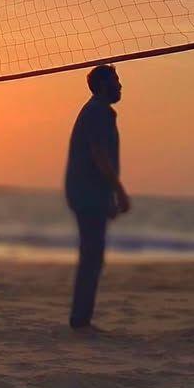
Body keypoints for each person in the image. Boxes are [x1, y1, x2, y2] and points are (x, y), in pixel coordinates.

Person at [65, 63, 131, 331]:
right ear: (104, 85)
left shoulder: (100, 112)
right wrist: (119, 190)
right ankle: (80, 320)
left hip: (92, 193)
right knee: (92, 255)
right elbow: (99, 156)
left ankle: (82, 318)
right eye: (116, 80)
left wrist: (109, 197)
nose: (120, 85)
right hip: (87, 193)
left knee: (93, 255)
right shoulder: (97, 112)